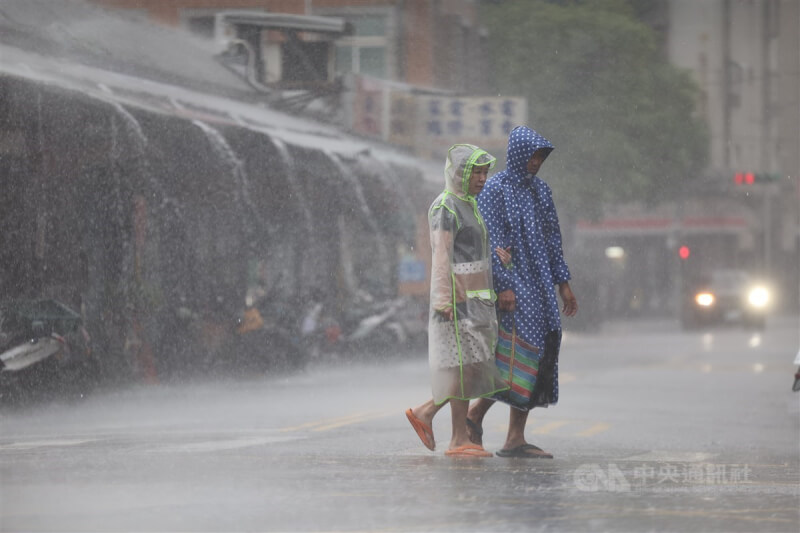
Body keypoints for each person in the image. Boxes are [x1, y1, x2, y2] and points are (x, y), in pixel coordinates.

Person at [466, 126, 578, 459]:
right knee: (514, 354)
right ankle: (474, 415)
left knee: (540, 352)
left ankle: (516, 436)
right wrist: (504, 286)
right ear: (517, 153)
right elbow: (492, 241)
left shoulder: (541, 192)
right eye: (532, 155)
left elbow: (553, 241)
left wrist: (564, 285)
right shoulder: (495, 190)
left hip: (541, 284)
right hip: (515, 285)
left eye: (541, 157)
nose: (537, 162)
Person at [405, 144, 510, 457]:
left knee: (473, 365)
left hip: (477, 299)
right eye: (475, 172)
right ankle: (457, 438)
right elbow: (441, 256)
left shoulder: (470, 204)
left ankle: (426, 413)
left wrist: (495, 256)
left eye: (484, 172)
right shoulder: (446, 207)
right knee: (463, 367)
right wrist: (442, 299)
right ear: (460, 173)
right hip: (458, 298)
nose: (481, 178)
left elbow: (470, 251)